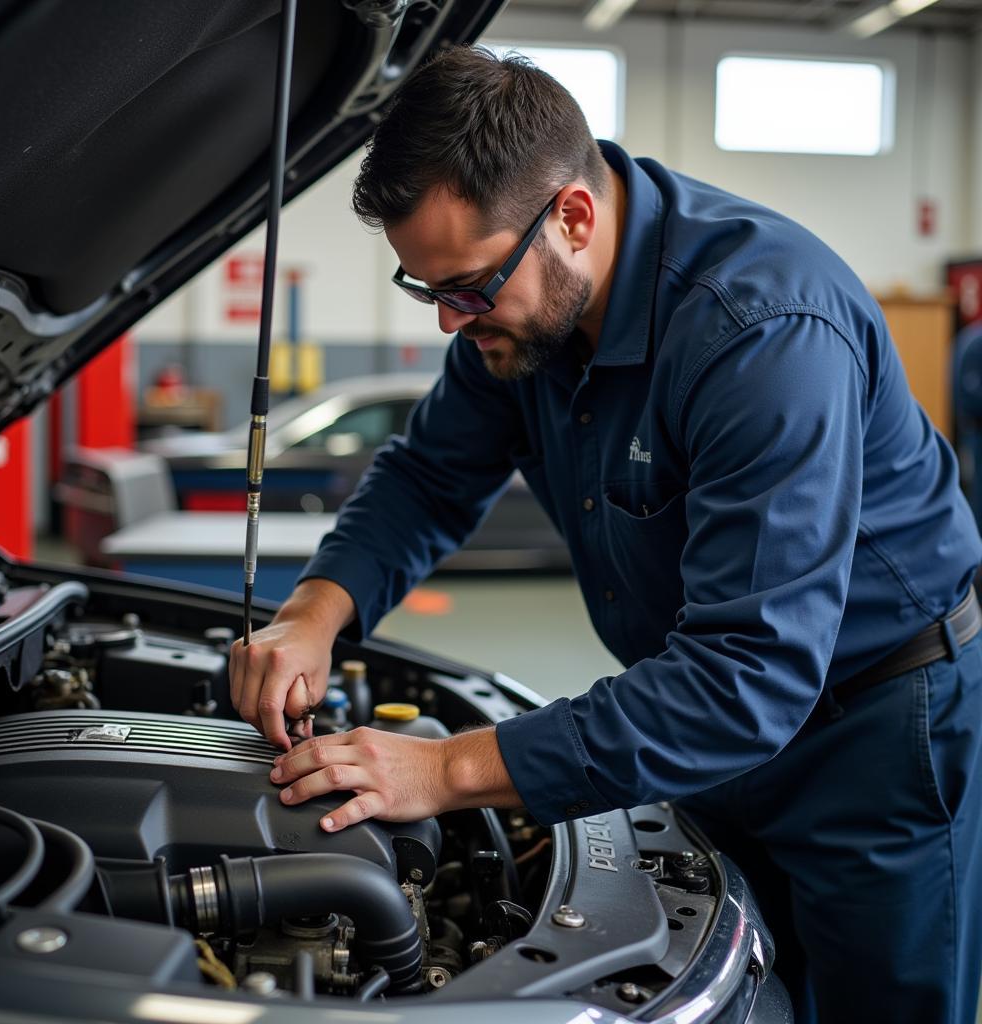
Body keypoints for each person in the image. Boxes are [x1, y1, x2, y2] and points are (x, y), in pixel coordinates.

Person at [229, 47, 982, 1023]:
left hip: (873, 737)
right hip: (705, 735)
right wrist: (311, 614)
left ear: (572, 218)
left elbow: (744, 677)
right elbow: (426, 474)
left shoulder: (757, 331)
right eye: (429, 294)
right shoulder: (524, 317)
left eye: (466, 287)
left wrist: (447, 768)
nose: (456, 322)